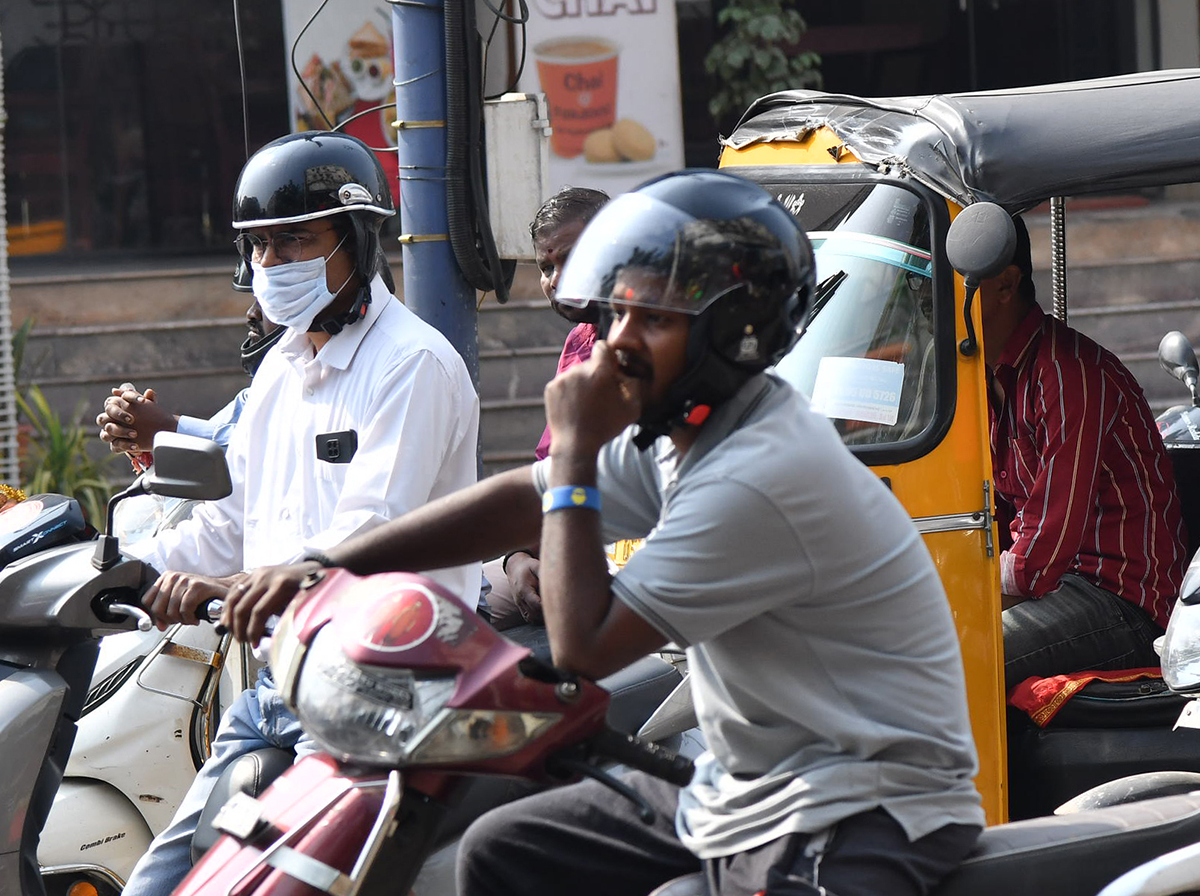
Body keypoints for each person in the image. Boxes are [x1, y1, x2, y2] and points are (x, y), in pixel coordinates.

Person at [226, 170, 985, 896]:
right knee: (504, 853)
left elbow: (585, 645)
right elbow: (520, 500)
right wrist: (323, 565)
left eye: (652, 319)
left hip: (858, 803)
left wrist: (578, 449)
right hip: (744, 783)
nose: (617, 340)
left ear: (731, 333)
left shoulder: (760, 472)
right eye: (617, 312)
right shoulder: (689, 431)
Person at [118, 130, 480, 896]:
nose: (270, 266)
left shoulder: (411, 365)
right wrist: (129, 573)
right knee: (164, 880)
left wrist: (231, 590)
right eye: (259, 249)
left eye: (294, 242)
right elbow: (231, 519)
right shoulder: (283, 368)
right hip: (282, 685)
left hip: (385, 696)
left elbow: (369, 539)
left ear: (355, 240)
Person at [981, 215, 1186, 690]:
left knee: (964, 658)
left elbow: (1040, 554)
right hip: (1059, 584)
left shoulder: (1067, 372)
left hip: (1123, 602)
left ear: (1006, 285)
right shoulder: (986, 375)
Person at [485, 186, 609, 631]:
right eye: (546, 266)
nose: (557, 280)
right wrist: (515, 556)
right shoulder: (579, 340)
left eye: (574, 258)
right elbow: (549, 472)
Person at [96, 264, 284, 457]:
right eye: (256, 299)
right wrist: (139, 433)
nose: (252, 313)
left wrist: (167, 430)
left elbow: (275, 453)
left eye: (268, 298)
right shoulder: (266, 386)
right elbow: (216, 438)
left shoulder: (309, 380)